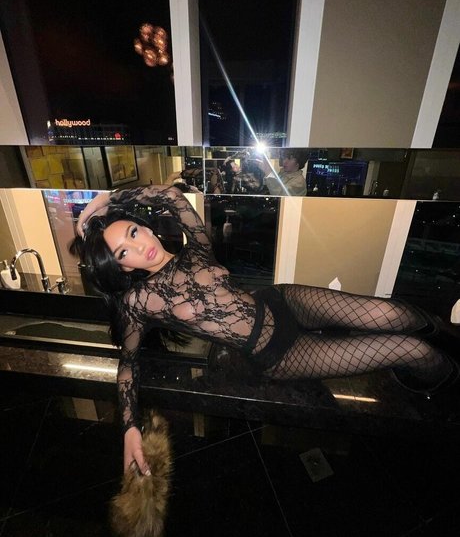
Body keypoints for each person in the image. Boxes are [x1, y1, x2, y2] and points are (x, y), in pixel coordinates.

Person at [72, 185, 457, 476]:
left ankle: (448, 333)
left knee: (393, 313)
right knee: (414, 351)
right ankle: (441, 379)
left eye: (134, 233)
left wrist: (104, 202)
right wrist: (129, 428)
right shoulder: (140, 301)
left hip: (283, 301)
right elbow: (128, 366)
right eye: (124, 252)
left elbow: (172, 195)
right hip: (279, 354)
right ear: (123, 268)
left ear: (144, 226)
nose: (139, 247)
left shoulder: (196, 249)